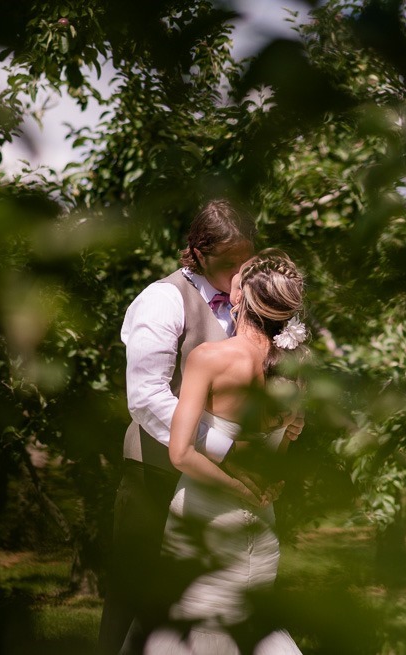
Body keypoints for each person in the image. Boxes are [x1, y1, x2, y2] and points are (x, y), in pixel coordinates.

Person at [98, 199, 259, 655]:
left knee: (207, 598)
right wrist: (226, 450)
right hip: (155, 473)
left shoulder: (253, 305)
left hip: (220, 482)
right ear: (198, 252)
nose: (238, 274)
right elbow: (148, 398)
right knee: (136, 595)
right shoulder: (165, 299)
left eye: (245, 262)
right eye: (227, 263)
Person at [144, 248, 308, 655]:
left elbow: (180, 453)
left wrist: (239, 491)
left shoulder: (209, 359)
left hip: (204, 522)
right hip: (261, 527)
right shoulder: (293, 368)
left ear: (240, 299)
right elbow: (275, 463)